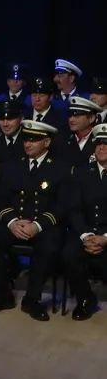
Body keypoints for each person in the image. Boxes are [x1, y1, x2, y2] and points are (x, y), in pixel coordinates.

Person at [0, 120, 69, 321]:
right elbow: (0, 200)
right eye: (26, 139)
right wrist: (12, 222)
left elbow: (62, 206)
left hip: (44, 225)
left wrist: (37, 226)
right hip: (15, 222)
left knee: (49, 247)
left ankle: (32, 300)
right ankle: (3, 295)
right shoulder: (12, 165)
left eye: (34, 140)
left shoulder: (60, 168)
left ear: (46, 142)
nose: (27, 144)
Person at [61, 123, 107, 320]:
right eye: (99, 144)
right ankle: (86, 299)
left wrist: (104, 238)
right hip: (85, 231)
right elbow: (74, 209)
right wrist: (87, 235)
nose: (102, 148)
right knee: (69, 254)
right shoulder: (81, 172)